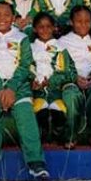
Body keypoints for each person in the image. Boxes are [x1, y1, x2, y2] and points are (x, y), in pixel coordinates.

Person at [0, 2, 50, 181]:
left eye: (7, 15)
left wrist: (11, 89)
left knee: (25, 112)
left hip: (18, 88)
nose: (2, 19)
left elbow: (25, 65)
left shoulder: (21, 38)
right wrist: (0, 89)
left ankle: (36, 162)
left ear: (14, 17)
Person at [57, 5, 91, 150]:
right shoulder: (62, 42)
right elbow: (60, 65)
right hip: (72, 80)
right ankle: (71, 135)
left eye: (87, 21)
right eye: (79, 21)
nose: (83, 24)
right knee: (71, 96)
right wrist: (74, 78)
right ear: (71, 22)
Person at [30, 12, 79, 148]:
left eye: (48, 26)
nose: (45, 30)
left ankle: (60, 133)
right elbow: (26, 67)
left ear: (54, 28)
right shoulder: (30, 48)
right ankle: (42, 134)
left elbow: (70, 72)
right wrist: (33, 81)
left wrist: (52, 81)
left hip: (56, 91)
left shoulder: (61, 48)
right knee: (40, 108)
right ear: (34, 29)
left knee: (59, 110)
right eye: (41, 27)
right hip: (38, 91)